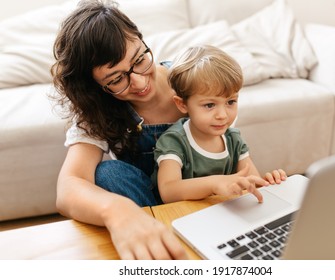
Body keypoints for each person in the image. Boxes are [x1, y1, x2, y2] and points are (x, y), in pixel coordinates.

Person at [51, 0, 187, 260]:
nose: (138, 82)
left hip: (202, 196)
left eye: (139, 59)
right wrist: (116, 210)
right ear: (96, 87)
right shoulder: (99, 113)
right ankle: (158, 243)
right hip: (150, 212)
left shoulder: (190, 79)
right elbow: (68, 187)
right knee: (108, 174)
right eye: (116, 79)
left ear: (140, 37)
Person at [152, 45, 287, 204]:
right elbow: (168, 191)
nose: (222, 115)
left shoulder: (233, 140)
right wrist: (214, 184)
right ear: (182, 105)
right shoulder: (174, 141)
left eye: (230, 102)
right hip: (184, 218)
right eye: (209, 105)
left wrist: (268, 182)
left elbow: (252, 182)